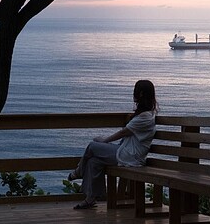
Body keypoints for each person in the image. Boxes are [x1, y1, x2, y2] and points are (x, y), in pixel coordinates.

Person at [68, 79, 158, 209]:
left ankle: (78, 172)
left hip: (130, 157)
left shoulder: (145, 117)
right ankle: (90, 199)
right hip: (126, 152)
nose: (133, 93)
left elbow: (124, 132)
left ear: (141, 94)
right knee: (93, 161)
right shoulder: (146, 115)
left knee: (92, 146)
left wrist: (104, 140)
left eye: (136, 91)